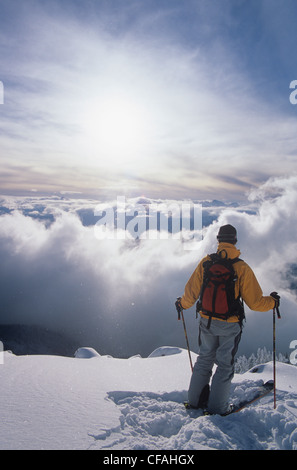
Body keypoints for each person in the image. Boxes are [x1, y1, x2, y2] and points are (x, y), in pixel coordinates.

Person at [175, 224, 280, 415]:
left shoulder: (206, 262)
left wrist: (181, 304)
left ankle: (195, 402)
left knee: (204, 360)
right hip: (230, 324)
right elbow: (255, 303)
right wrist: (272, 302)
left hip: (206, 321)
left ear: (218, 240)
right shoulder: (241, 267)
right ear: (235, 241)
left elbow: (191, 293)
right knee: (224, 365)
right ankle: (217, 408)